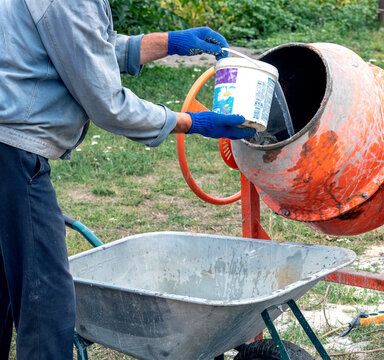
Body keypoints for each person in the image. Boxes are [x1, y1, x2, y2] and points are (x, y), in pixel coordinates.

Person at [0, 0, 255, 358]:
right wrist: (192, 122)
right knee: (49, 302)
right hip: (12, 152)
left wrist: (169, 42)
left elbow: (87, 49)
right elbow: (108, 104)